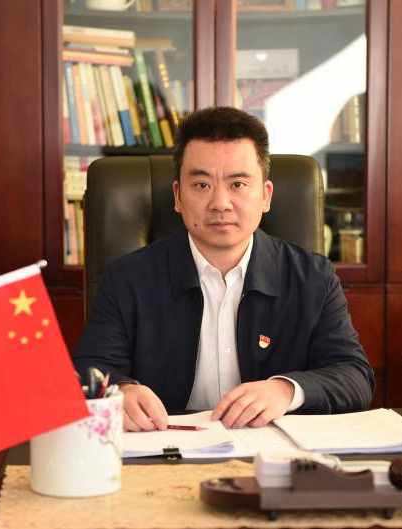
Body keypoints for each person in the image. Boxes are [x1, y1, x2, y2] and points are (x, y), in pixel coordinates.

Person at [73, 106, 374, 432]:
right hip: (165, 445)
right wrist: (122, 391)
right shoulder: (127, 279)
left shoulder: (312, 278)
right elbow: (89, 371)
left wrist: (286, 390)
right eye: (202, 185)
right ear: (178, 196)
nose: (220, 203)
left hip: (270, 450)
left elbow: (354, 375)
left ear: (266, 196)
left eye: (238, 184)